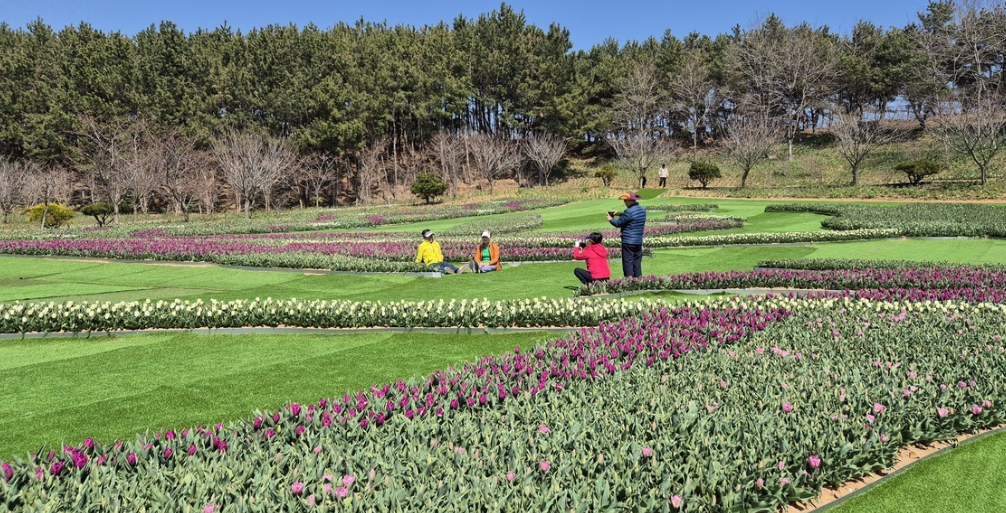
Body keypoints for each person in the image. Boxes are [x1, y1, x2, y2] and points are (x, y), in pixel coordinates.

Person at [606, 191, 647, 278]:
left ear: (629, 201)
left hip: (628, 240)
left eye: (625, 200)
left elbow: (618, 223)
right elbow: (631, 218)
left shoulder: (629, 211)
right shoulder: (642, 210)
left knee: (627, 262)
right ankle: (638, 280)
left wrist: (610, 219)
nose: (624, 202)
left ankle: (629, 281)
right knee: (637, 262)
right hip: (638, 240)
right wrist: (620, 214)